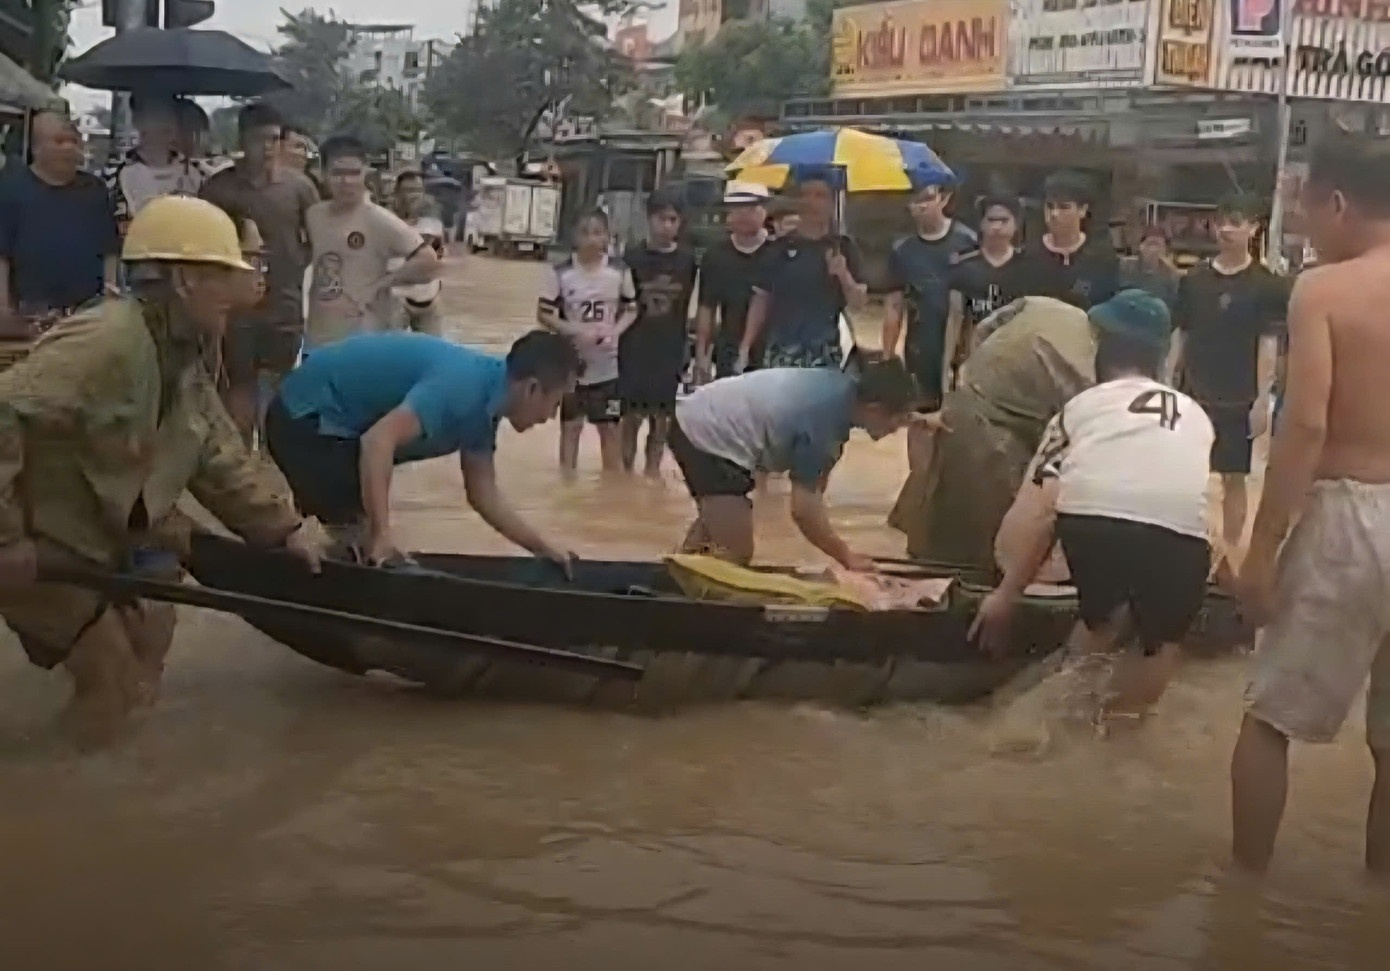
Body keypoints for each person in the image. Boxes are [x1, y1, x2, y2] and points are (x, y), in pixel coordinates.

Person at [0, 195, 320, 748]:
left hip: (85, 536)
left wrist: (282, 528)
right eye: (228, 273)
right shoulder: (107, 341)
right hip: (34, 535)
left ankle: (87, 773)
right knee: (111, 682)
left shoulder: (179, 349)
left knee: (141, 654)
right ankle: (55, 789)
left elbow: (213, 451)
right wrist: (6, 540)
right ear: (186, 279)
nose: (241, 289)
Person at [1230, 131, 1390, 875]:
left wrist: (1262, 551)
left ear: (1338, 202)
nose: (1301, 223)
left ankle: (1242, 899)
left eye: (1305, 206)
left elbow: (1306, 426)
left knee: (1270, 719)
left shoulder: (1324, 290)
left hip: (1351, 515)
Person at [971, 291, 1213, 722]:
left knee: (1097, 626)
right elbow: (1187, 503)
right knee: (1161, 644)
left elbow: (1044, 507)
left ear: (1100, 351)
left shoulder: (1080, 407)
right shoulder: (1195, 414)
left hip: (1095, 529)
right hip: (1183, 538)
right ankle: (1126, 728)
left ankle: (1052, 719)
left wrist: (1006, 595)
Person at [265, 330, 581, 571]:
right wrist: (382, 533)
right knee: (357, 546)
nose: (550, 417)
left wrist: (543, 548)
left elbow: (483, 495)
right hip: (304, 418)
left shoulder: (486, 407)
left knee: (361, 543)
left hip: (340, 433)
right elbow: (377, 442)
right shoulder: (463, 387)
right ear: (531, 388)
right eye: (555, 404)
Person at [888, 296, 1099, 568]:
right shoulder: (1089, 367)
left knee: (940, 507)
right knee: (983, 545)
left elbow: (984, 329)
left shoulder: (1049, 307)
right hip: (998, 432)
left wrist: (976, 372)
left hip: (968, 394)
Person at [670, 357, 920, 568]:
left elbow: (813, 488)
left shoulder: (843, 391)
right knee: (736, 553)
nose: (897, 428)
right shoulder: (824, 423)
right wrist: (847, 557)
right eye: (897, 419)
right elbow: (803, 509)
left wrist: (921, 421)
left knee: (716, 531)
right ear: (875, 408)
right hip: (707, 436)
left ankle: (672, 577)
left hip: (701, 415)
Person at [1170, 194, 1287, 553]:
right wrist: (1168, 380)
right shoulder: (1194, 280)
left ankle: (1231, 553)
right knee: (1187, 476)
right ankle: (1187, 546)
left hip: (1239, 395)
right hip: (1194, 390)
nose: (1225, 229)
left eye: (1235, 222)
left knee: (1235, 479)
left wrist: (1262, 398)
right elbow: (1180, 334)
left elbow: (1268, 343)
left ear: (1253, 228)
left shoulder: (1267, 284)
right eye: (1220, 221)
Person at [200, 101, 321, 443]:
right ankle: (240, 458)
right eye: (258, 139)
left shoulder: (300, 188)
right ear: (242, 140)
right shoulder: (219, 189)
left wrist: (296, 263)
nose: (267, 148)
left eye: (274, 139)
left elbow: (318, 238)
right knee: (239, 386)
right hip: (236, 308)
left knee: (281, 386)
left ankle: (275, 457)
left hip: (284, 304)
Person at [304, 134, 439, 351]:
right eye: (338, 173)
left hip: (365, 337)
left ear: (365, 173)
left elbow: (428, 261)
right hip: (319, 337)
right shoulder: (314, 215)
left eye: (354, 173)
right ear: (323, 174)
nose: (346, 181)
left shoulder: (380, 220)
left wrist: (382, 284)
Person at [882, 183, 978, 469]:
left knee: (959, 420)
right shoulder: (902, 250)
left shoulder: (967, 242)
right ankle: (919, 482)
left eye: (927, 198)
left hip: (961, 345)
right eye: (915, 201)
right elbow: (893, 305)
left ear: (943, 199)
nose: (921, 206)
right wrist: (888, 356)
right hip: (920, 345)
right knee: (919, 419)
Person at [537, 209, 637, 474]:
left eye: (597, 233)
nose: (591, 239)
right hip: (573, 368)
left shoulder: (619, 271)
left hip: (608, 367)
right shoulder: (560, 273)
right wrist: (575, 330)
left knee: (610, 430)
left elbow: (632, 309)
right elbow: (544, 315)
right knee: (570, 428)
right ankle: (567, 482)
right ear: (574, 236)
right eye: (585, 232)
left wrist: (616, 331)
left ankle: (611, 487)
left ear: (607, 236)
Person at [0, 111, 120, 325]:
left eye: (74, 141)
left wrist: (111, 301)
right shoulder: (11, 190)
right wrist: (3, 309)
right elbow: (2, 257)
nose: (69, 148)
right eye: (59, 141)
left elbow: (109, 251)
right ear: (36, 148)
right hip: (32, 315)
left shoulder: (95, 190)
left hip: (88, 315)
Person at [738, 177, 867, 370]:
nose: (811, 202)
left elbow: (858, 304)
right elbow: (761, 300)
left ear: (832, 204)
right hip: (782, 352)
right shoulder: (778, 248)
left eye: (820, 195)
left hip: (825, 351)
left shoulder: (844, 248)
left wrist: (843, 274)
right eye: (805, 195)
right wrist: (746, 346)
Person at [618, 189, 699, 476]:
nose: (666, 226)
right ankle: (625, 473)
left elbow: (694, 306)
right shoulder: (632, 257)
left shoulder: (688, 260)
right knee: (630, 417)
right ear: (649, 219)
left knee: (662, 419)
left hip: (670, 348)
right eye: (661, 219)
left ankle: (652, 471)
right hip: (634, 347)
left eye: (672, 220)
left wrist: (694, 348)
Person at [693, 181, 771, 382]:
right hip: (729, 350)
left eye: (751, 208)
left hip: (772, 352)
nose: (744, 215)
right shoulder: (716, 256)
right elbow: (707, 307)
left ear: (765, 211)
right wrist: (701, 355)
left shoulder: (777, 252)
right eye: (738, 209)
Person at [1014, 170, 1119, 311]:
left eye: (1064, 207)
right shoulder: (1027, 257)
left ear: (1082, 210)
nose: (1054, 214)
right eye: (1050, 206)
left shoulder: (1102, 259)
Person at [101, 94, 206, 232]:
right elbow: (116, 228)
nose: (194, 139)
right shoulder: (118, 174)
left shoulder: (198, 174)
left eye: (197, 132)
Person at [949, 194, 1026, 356]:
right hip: (974, 354)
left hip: (1017, 354)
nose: (997, 226)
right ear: (982, 224)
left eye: (1004, 220)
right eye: (991, 220)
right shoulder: (963, 267)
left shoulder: (1028, 267)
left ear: (1016, 225)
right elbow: (953, 323)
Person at [388, 170, 447, 336]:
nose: (414, 195)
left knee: (433, 349)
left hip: (429, 301)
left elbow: (438, 261)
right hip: (395, 301)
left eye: (418, 190)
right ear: (396, 194)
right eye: (408, 190)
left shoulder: (434, 224)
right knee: (390, 349)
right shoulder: (385, 224)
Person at [1119, 224, 1180, 308]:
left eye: (1157, 245)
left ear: (1164, 249)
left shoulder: (1171, 274)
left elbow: (1171, 304)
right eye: (1150, 244)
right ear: (1140, 246)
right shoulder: (1125, 265)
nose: (1153, 250)